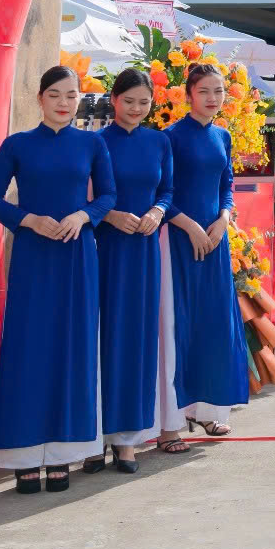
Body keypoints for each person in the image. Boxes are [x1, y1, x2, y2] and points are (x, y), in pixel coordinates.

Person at [0, 65, 114, 492]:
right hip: (34, 257)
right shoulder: (17, 145)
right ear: (40, 98)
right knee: (28, 348)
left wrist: (84, 215)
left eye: (71, 95)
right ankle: (23, 456)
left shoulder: (92, 143)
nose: (63, 103)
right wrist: (28, 220)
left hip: (77, 256)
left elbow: (108, 195)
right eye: (55, 94)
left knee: (73, 347)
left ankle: (62, 454)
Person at [95, 69, 175, 472]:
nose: (136, 109)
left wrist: (158, 212)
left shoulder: (159, 142)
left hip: (144, 250)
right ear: (114, 100)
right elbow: (82, 194)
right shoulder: (96, 142)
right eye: (129, 101)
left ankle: (128, 440)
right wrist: (109, 215)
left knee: (139, 339)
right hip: (105, 250)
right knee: (103, 338)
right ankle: (95, 437)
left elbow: (167, 190)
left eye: (144, 102)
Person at [165, 62, 248, 439]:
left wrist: (224, 218)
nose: (212, 98)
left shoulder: (223, 136)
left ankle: (210, 409)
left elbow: (226, 184)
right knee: (182, 323)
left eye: (218, 91)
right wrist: (190, 226)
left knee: (215, 323)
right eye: (204, 91)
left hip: (215, 240)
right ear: (188, 96)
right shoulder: (170, 137)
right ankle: (177, 413)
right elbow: (161, 192)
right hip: (180, 240)